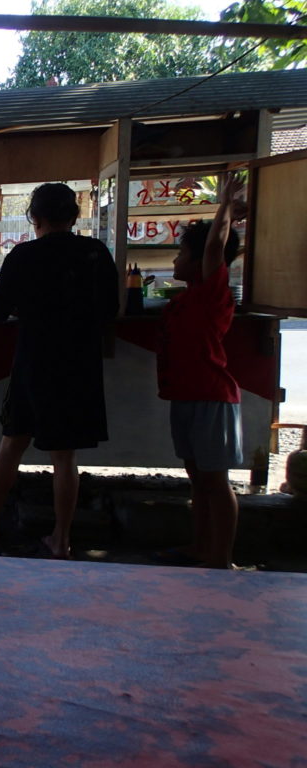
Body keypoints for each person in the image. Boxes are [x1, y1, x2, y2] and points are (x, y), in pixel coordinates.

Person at [0, 183, 119, 559]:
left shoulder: (23, 256)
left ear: (34, 217)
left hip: (35, 362)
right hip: (79, 365)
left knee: (12, 443)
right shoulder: (96, 252)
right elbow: (110, 310)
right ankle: (61, 539)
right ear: (74, 216)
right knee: (64, 457)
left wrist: (26, 309)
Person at [156, 174, 243, 569]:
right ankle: (200, 546)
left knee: (214, 481)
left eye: (179, 252)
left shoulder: (213, 290)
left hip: (211, 396)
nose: (175, 260)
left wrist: (223, 207)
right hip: (188, 396)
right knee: (198, 480)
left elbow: (215, 244)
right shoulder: (190, 298)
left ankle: (220, 557)